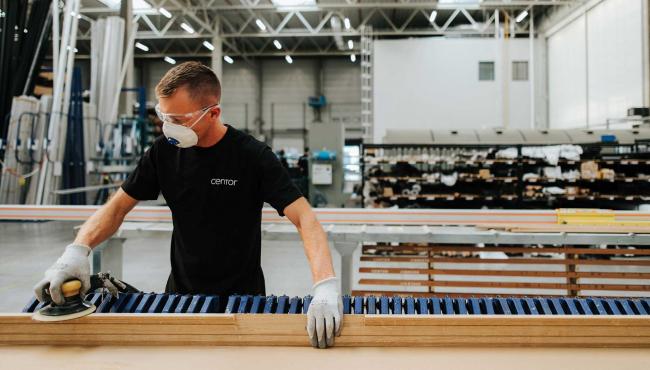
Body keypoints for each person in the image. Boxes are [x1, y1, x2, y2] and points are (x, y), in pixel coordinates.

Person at [34, 61, 342, 349]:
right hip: (181, 296)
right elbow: (117, 207)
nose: (168, 128)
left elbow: (305, 218)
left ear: (213, 113)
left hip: (243, 299)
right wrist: (76, 251)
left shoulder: (251, 156)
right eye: (165, 117)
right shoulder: (162, 153)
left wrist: (325, 284)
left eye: (178, 120)